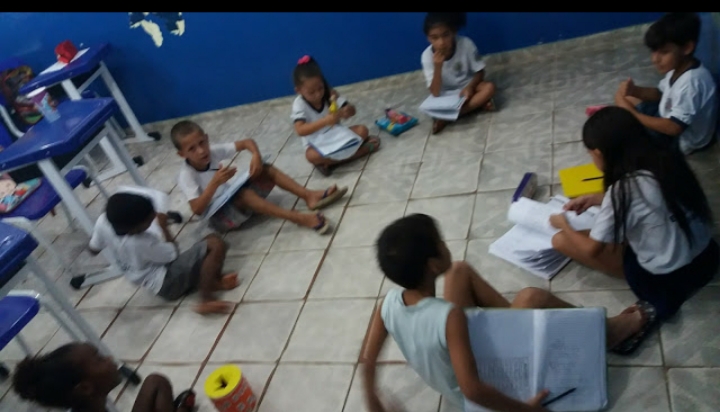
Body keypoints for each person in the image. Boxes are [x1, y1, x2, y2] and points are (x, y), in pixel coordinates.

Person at [362, 214, 645, 412]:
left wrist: (373, 401)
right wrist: (526, 410)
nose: (446, 245)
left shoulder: (388, 304)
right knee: (532, 297)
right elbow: (473, 390)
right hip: (481, 390)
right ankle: (608, 334)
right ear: (433, 265)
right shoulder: (448, 317)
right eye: (441, 244)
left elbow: (367, 360)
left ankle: (519, 322)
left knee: (459, 271)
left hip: (453, 367)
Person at [551, 106, 719, 354]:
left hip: (666, 278)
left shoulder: (622, 191)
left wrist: (563, 224)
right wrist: (597, 199)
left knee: (560, 241)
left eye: (591, 155)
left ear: (599, 153)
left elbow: (592, 249)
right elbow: (652, 197)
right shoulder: (666, 157)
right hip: (707, 258)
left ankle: (648, 309)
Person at [172, 120, 348, 233]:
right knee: (244, 194)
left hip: (232, 200)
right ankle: (299, 218)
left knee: (265, 168)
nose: (201, 150)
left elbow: (246, 142)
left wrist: (255, 154)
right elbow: (197, 210)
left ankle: (309, 196)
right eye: (192, 149)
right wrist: (215, 183)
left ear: (206, 138)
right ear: (182, 154)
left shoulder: (212, 151)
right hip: (220, 219)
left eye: (202, 142)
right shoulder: (186, 175)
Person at [89, 190, 238, 315]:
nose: (154, 216)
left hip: (153, 284)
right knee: (215, 244)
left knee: (205, 242)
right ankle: (206, 299)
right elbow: (173, 254)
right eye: (149, 221)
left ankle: (210, 281)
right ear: (135, 229)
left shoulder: (103, 222)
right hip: (168, 282)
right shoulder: (140, 242)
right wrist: (163, 227)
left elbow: (94, 248)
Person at [614, 12, 718, 155]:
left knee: (627, 139)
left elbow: (674, 128)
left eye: (664, 52)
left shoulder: (691, 83)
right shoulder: (679, 67)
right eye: (653, 51)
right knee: (625, 98)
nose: (655, 59)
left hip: (680, 140)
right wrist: (634, 90)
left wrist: (634, 115)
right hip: (667, 113)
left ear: (687, 48)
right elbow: (660, 93)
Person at [12, 342, 195, 412]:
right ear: (86, 387)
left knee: (155, 382)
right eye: (99, 360)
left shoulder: (91, 403)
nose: (109, 359)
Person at [291, 55, 381, 176]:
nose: (318, 94)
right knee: (310, 156)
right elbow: (300, 130)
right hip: (317, 142)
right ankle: (361, 151)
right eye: (311, 92)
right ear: (299, 91)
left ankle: (330, 163)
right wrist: (325, 121)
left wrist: (347, 110)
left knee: (362, 130)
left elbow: (351, 110)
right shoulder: (299, 104)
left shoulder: (329, 94)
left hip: (336, 133)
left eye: (320, 88)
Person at [421, 12, 497, 135]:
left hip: (469, 88)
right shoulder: (426, 56)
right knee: (429, 107)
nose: (441, 42)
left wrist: (470, 87)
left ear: (453, 32)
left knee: (489, 88)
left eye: (445, 35)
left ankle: (446, 117)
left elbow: (480, 72)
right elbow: (435, 92)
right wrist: (438, 67)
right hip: (446, 94)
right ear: (428, 38)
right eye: (434, 38)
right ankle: (476, 106)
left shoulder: (466, 44)